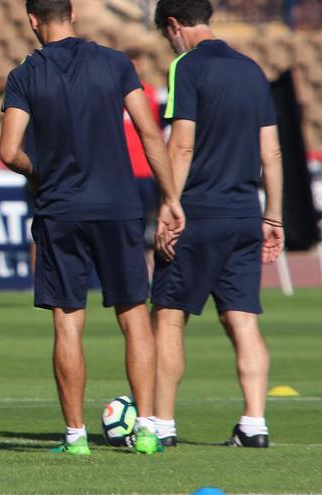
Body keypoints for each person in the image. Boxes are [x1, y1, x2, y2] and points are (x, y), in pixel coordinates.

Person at [0, 0, 184, 455]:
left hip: (60, 209)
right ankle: (145, 430)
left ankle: (76, 436)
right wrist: (171, 198)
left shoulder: (25, 74)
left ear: (32, 20)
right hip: (117, 206)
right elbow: (147, 132)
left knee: (68, 323)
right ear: (73, 14)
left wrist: (38, 173)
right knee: (134, 318)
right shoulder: (115, 63)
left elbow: (8, 151)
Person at [151, 0, 284, 448]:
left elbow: (182, 146)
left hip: (199, 213)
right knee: (242, 320)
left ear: (173, 25)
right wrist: (274, 215)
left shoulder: (186, 67)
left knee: (169, 318)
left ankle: (162, 425)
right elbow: (272, 152)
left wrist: (169, 206)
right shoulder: (252, 70)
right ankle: (254, 423)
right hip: (246, 214)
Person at [124, 48, 165, 277]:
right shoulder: (112, 96)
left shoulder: (152, 95)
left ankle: (150, 272)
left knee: (149, 226)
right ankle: (134, 272)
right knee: (130, 226)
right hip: (122, 173)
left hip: (146, 171)